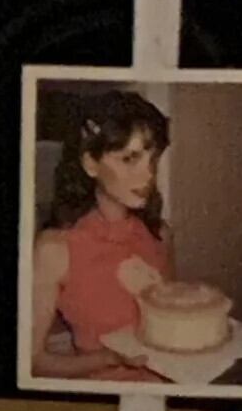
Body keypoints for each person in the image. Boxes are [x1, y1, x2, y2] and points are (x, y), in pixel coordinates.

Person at [29, 84, 176, 378]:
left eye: (153, 159)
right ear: (90, 164)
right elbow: (32, 362)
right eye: (129, 158)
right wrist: (108, 358)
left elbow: (167, 322)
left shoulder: (161, 233)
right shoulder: (55, 248)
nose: (148, 175)